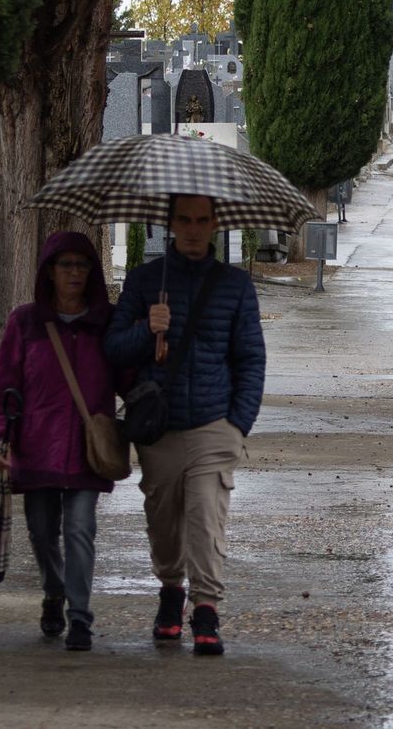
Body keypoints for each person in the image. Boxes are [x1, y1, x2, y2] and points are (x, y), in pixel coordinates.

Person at [105, 194, 266, 656]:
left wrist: (238, 424)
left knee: (205, 516)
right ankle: (170, 591)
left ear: (215, 223)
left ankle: (207, 608)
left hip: (215, 424)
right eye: (184, 220)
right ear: (170, 222)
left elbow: (251, 357)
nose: (193, 229)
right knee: (163, 519)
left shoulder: (235, 286)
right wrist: (145, 329)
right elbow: (113, 349)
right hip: (159, 427)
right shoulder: (144, 281)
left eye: (201, 220)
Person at [0, 231, 119, 653]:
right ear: (49, 271)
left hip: (86, 450)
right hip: (36, 444)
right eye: (66, 265)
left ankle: (79, 616)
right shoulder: (25, 322)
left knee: (80, 529)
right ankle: (54, 590)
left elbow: (130, 376)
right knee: (42, 533)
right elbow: (2, 386)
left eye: (82, 265)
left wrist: (155, 341)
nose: (75, 272)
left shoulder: (107, 323)